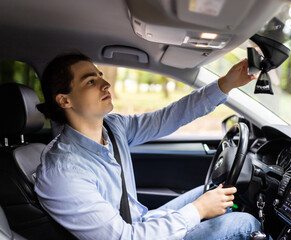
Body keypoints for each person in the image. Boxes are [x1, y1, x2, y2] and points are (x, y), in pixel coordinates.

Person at [34, 52, 261, 240]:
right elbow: (125, 238)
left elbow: (169, 117)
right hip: (133, 235)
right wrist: (199, 210)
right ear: (65, 100)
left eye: (100, 75)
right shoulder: (63, 171)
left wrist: (227, 84)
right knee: (244, 224)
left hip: (141, 223)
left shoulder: (113, 128)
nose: (105, 84)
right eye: (90, 81)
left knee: (215, 191)